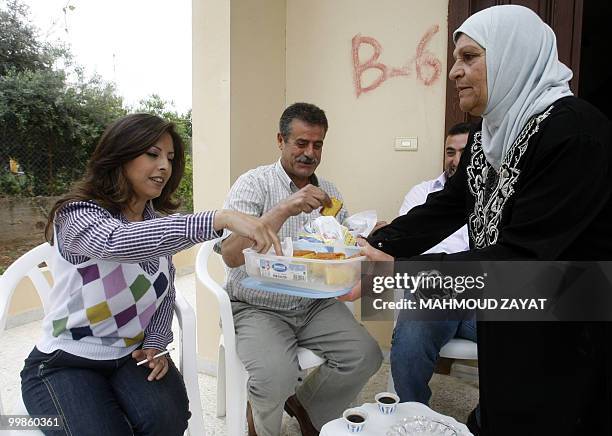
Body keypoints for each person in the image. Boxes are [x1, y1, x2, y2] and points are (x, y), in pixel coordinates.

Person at [352, 5, 611, 435]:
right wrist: (374, 246)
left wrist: (400, 275)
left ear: (515, 56)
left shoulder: (574, 133)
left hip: (567, 325)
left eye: (470, 57)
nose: (454, 71)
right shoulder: (490, 139)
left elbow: (524, 258)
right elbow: (446, 207)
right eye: (455, 59)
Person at [20, 113, 280, 436]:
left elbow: (164, 290)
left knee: (166, 418)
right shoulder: (77, 215)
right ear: (120, 155)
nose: (165, 167)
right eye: (152, 154)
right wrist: (220, 218)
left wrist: (155, 343)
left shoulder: (152, 222)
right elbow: (117, 242)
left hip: (130, 356)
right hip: (64, 361)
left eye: (170, 158)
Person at [219, 102, 383, 436]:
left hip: (314, 304)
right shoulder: (254, 184)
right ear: (281, 140)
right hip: (256, 306)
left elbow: (340, 247)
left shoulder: (330, 193)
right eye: (301, 143)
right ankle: (262, 426)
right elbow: (231, 256)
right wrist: (284, 208)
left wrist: (363, 239)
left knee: (366, 355)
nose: (310, 153)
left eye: (317, 144)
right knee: (274, 377)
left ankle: (308, 407)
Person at [392, 122, 475, 405]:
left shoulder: (493, 200)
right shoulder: (421, 194)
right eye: (450, 152)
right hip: (431, 293)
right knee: (410, 341)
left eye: (464, 152)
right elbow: (407, 252)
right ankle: (413, 413)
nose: (455, 160)